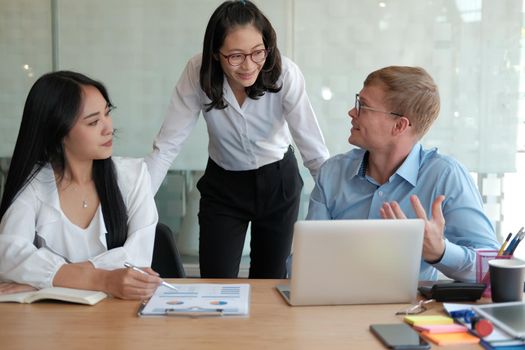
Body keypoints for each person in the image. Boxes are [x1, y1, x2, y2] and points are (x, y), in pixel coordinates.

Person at [145, 0, 329, 278]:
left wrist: (337, 206)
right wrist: (137, 204)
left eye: (257, 52)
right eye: (235, 56)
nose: (248, 65)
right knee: (215, 279)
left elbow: (313, 151)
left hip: (278, 181)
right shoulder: (197, 73)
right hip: (224, 184)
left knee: (270, 282)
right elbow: (166, 147)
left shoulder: (284, 73)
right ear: (216, 53)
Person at [306, 66, 500, 282]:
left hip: (408, 313)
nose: (352, 112)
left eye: (364, 106)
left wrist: (440, 252)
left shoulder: (445, 176)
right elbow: (304, 263)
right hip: (332, 306)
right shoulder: (332, 173)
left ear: (399, 125)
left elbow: (491, 268)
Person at [0, 71, 160, 299]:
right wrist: (103, 279)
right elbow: (9, 254)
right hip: (54, 325)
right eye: (93, 122)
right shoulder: (34, 185)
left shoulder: (133, 176)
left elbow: (136, 261)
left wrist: (44, 280)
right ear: (59, 133)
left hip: (119, 318)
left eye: (107, 113)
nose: (108, 128)